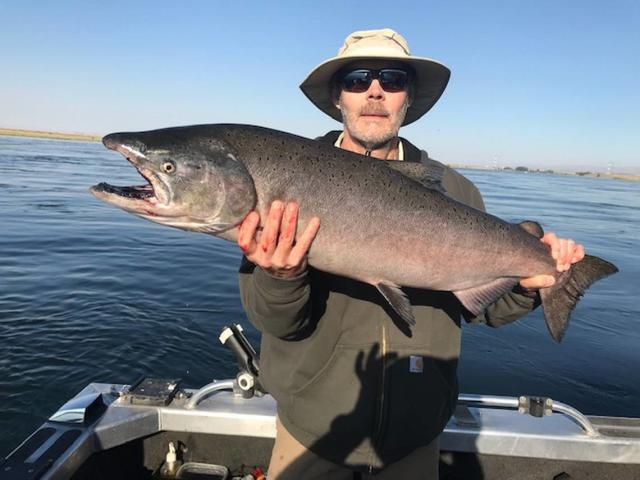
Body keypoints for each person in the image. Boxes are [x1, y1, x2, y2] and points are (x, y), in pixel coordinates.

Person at [236, 29, 584, 479]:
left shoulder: (456, 190)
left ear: (409, 97)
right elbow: (275, 321)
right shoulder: (285, 181)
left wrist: (530, 287)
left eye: (392, 79)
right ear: (338, 97)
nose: (374, 91)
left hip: (414, 440)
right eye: (358, 79)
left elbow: (484, 310)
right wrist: (283, 277)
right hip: (312, 433)